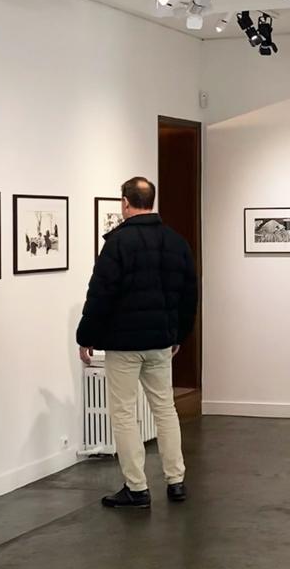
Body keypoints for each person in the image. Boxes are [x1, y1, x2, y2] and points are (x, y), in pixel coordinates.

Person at [77, 176, 199, 509]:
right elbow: (190, 294)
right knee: (165, 409)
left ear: (126, 203)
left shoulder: (117, 244)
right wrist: (179, 334)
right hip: (161, 341)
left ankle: (137, 487)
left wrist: (86, 337)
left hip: (124, 344)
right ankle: (176, 481)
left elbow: (100, 295)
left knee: (124, 413)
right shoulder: (176, 242)